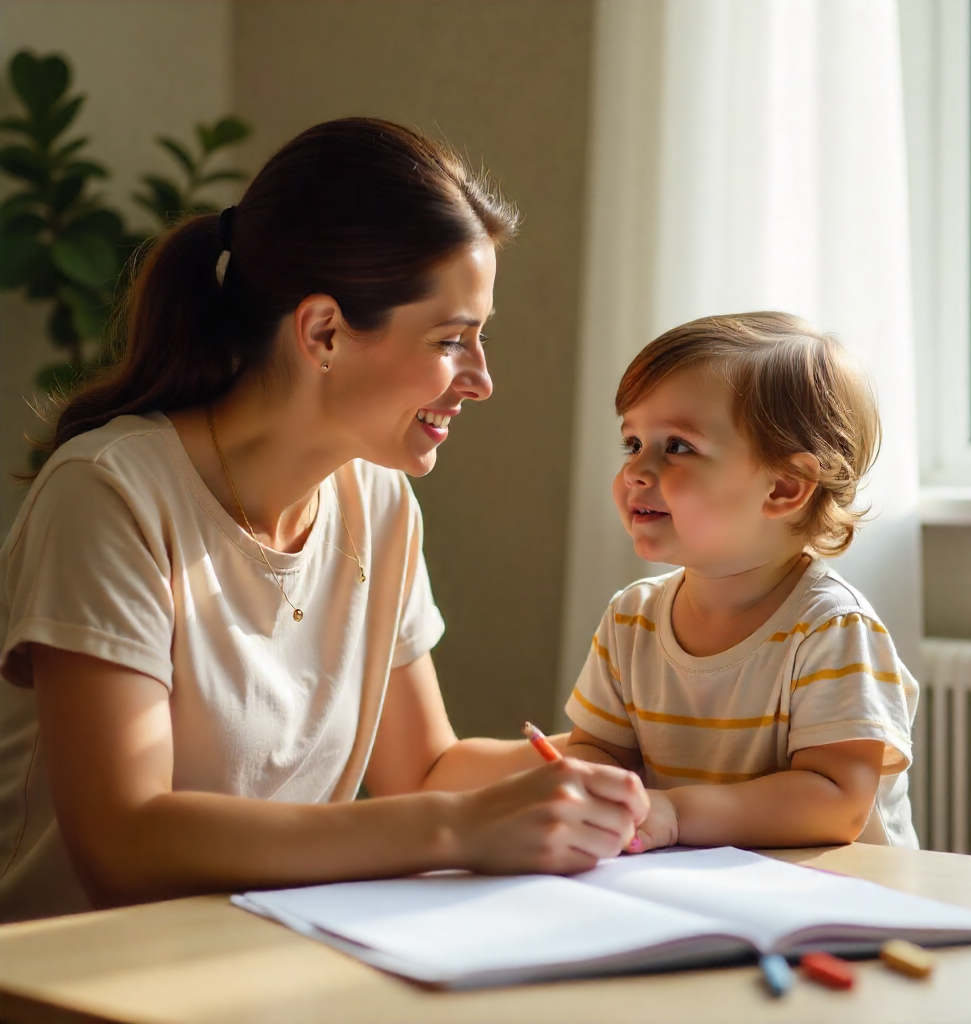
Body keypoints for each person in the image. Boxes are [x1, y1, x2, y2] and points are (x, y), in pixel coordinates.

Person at [0, 118, 648, 923]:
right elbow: (122, 845)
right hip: (72, 973)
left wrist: (641, 749)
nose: (481, 379)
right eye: (453, 340)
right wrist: (457, 828)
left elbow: (425, 770)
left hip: (272, 958)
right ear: (323, 332)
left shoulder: (378, 501)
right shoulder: (108, 495)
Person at [565, 312, 919, 851]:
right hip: (691, 886)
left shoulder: (830, 628)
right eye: (632, 443)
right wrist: (593, 789)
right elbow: (599, 751)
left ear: (783, 488)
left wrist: (676, 813)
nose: (635, 470)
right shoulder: (630, 619)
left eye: (677, 446)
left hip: (834, 892)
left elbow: (836, 803)